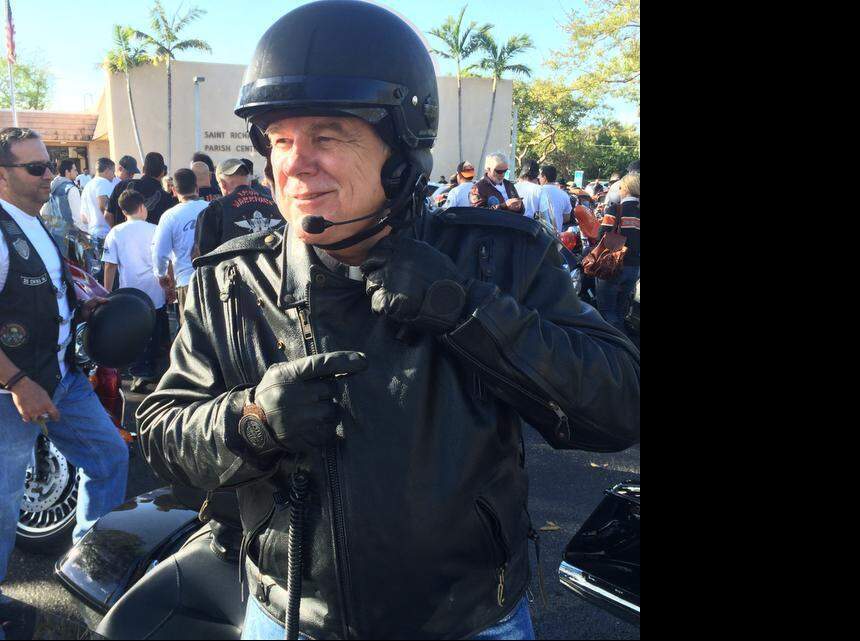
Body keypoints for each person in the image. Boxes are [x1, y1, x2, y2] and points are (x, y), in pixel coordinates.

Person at [135, 4, 639, 640]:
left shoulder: (497, 258)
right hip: (290, 616)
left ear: (402, 153)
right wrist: (252, 420)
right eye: (280, 140)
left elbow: (618, 406)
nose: (295, 164)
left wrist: (467, 310)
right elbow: (162, 432)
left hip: (470, 620)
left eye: (327, 137)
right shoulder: (231, 279)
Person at [0, 128, 128, 639]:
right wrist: (17, 383)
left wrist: (84, 303)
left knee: (109, 458)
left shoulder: (40, 224)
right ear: (2, 175)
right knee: (3, 502)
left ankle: (89, 562)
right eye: (36, 168)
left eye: (49, 165)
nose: (49, 175)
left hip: (62, 378)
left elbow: (49, 294)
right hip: (12, 391)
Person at [102, 190, 169, 391]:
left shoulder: (115, 232)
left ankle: (138, 370)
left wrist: (106, 293)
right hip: (155, 291)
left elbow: (110, 265)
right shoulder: (156, 229)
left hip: (130, 294)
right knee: (154, 331)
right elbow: (166, 260)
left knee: (134, 333)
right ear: (142, 207)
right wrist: (170, 285)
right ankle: (150, 370)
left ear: (123, 211)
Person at [192, 158, 284, 257]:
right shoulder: (277, 204)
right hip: (277, 265)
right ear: (249, 182)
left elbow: (204, 257)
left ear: (222, 184)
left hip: (235, 266)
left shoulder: (215, 210)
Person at [153, 169, 207, 325]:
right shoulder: (212, 207)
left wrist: (161, 275)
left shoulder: (170, 216)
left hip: (186, 281)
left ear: (174, 191)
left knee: (190, 332)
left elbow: (159, 253)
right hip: (215, 279)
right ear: (197, 188)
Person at [595, 171, 640, 335]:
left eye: (620, 187)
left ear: (626, 189)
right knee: (620, 310)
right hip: (634, 268)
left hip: (613, 265)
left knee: (607, 311)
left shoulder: (615, 209)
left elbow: (601, 235)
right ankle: (624, 342)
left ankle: (612, 344)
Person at [107, 153, 173, 227]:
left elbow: (108, 215)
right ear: (163, 172)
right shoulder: (166, 197)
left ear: (143, 169)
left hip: (121, 233)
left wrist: (116, 230)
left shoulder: (122, 185)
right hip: (151, 234)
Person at [537, 165, 572, 232]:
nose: (539, 178)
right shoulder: (564, 195)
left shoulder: (537, 192)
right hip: (556, 235)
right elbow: (567, 218)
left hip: (539, 234)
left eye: (540, 176)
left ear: (544, 177)